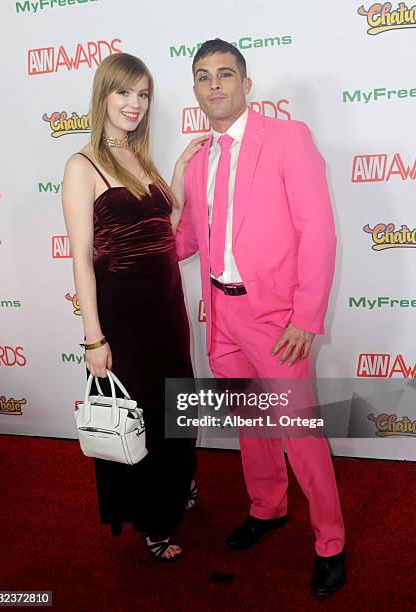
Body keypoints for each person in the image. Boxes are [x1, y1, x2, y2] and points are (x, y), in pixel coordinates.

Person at [174, 39, 346, 594]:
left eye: (225, 74)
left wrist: (306, 316)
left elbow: (317, 231)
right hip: (222, 315)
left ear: (247, 85)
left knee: (300, 432)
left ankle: (330, 542)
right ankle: (268, 507)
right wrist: (174, 183)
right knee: (252, 423)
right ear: (196, 89)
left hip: (278, 319)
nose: (214, 84)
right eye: (203, 76)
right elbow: (181, 245)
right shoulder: (198, 159)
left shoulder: (288, 139)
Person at [62, 52, 206, 562]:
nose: (134, 104)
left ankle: (178, 485)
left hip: (168, 311)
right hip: (125, 321)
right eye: (125, 92)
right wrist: (94, 338)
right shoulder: (82, 166)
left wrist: (180, 173)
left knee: (176, 408)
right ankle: (153, 522)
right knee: (142, 416)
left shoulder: (139, 157)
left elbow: (163, 231)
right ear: (103, 94)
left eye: (143, 95)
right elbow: (81, 260)